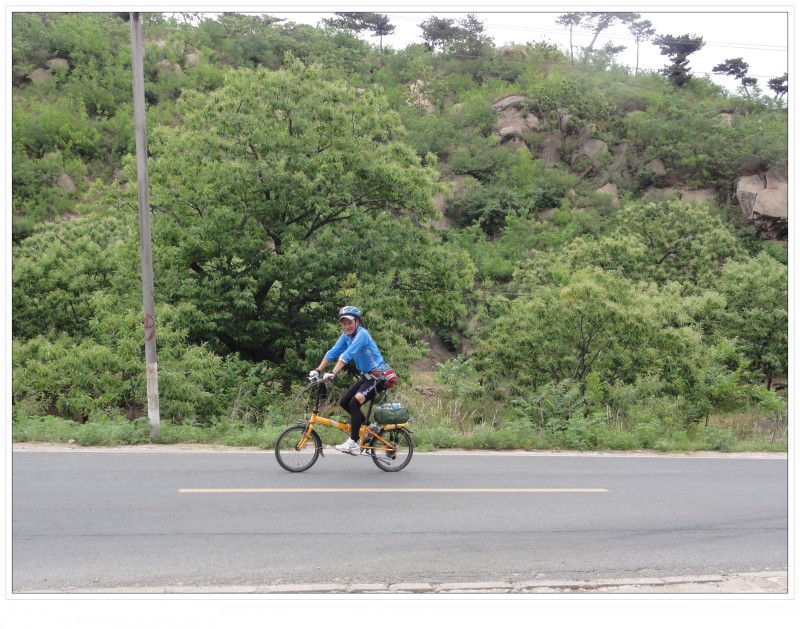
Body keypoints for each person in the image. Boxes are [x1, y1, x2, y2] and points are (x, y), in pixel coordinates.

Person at [310, 306, 395, 455]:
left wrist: (333, 373)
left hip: (378, 376)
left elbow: (347, 355)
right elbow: (332, 353)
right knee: (344, 402)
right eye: (343, 323)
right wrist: (318, 370)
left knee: (354, 403)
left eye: (350, 322)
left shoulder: (362, 334)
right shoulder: (346, 337)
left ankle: (354, 443)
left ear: (357, 322)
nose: (347, 326)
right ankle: (370, 428)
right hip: (367, 376)